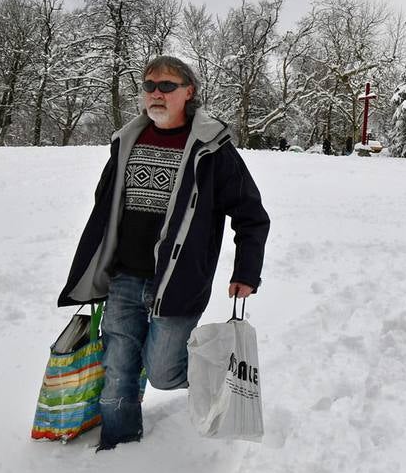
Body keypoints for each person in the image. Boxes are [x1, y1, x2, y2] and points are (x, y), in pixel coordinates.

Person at [57, 55, 270, 450]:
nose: (156, 93)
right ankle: (118, 443)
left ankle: (218, 376)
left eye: (167, 86)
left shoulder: (212, 149)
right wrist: (95, 264)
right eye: (149, 85)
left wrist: (246, 271)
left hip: (179, 281)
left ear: (189, 92)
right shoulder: (127, 141)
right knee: (118, 365)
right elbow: (105, 207)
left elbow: (251, 215)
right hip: (124, 275)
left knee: (163, 371)